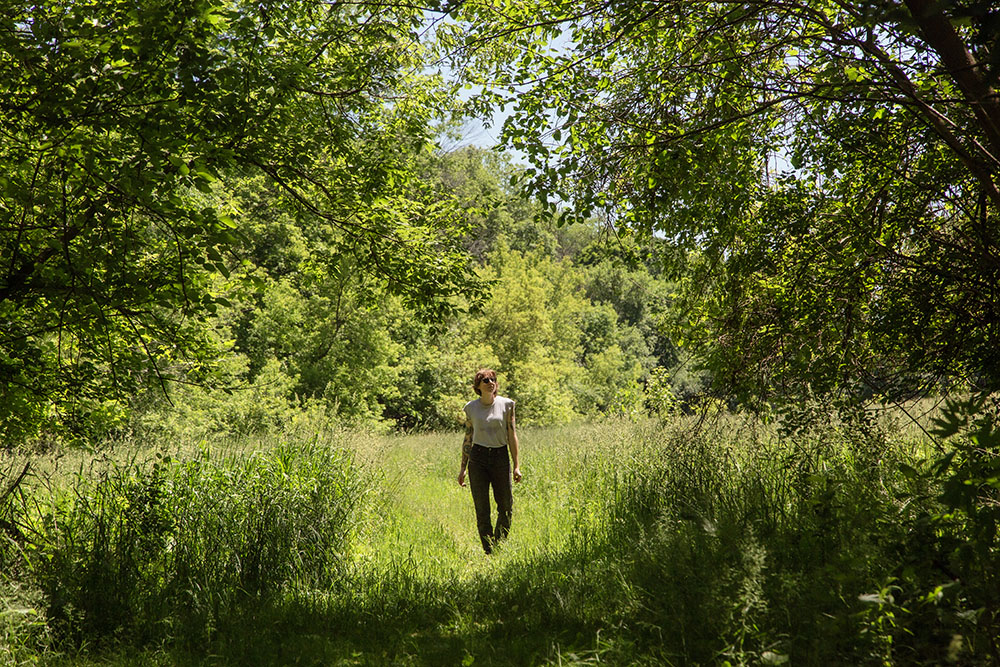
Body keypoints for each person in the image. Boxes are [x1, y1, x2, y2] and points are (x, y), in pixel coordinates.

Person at [457, 368, 522, 554]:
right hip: (477, 459)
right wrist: (463, 468)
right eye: (485, 380)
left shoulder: (507, 405)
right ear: (478, 385)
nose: (490, 382)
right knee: (482, 507)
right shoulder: (471, 407)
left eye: (493, 379)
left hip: (500, 457)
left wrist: (516, 465)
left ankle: (498, 545)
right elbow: (468, 437)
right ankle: (488, 550)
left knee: (506, 506)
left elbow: (512, 434)